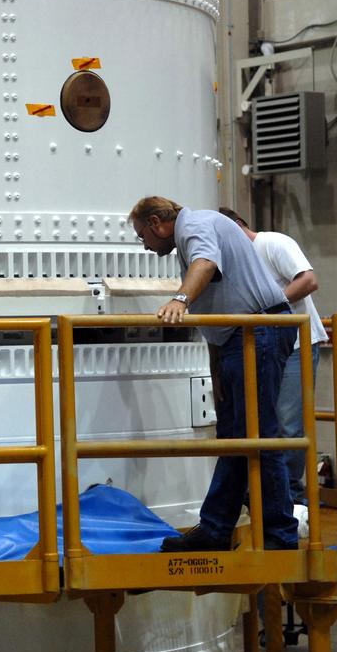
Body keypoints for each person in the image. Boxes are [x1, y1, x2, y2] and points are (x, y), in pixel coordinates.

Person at [128, 196, 299, 551]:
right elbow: (220, 309)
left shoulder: (195, 226)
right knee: (235, 438)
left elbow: (206, 265)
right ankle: (217, 530)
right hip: (241, 337)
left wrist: (179, 300)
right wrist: (216, 366)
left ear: (158, 222)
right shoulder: (192, 233)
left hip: (258, 331)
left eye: (142, 235)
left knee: (258, 437)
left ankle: (279, 536)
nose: (144, 245)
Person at [218, 207, 327, 504]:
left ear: (239, 225)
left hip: (295, 346)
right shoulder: (232, 261)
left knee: (288, 424)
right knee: (260, 423)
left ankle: (290, 497)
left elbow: (308, 280)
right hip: (261, 348)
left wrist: (267, 309)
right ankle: (265, 496)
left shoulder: (272, 243)